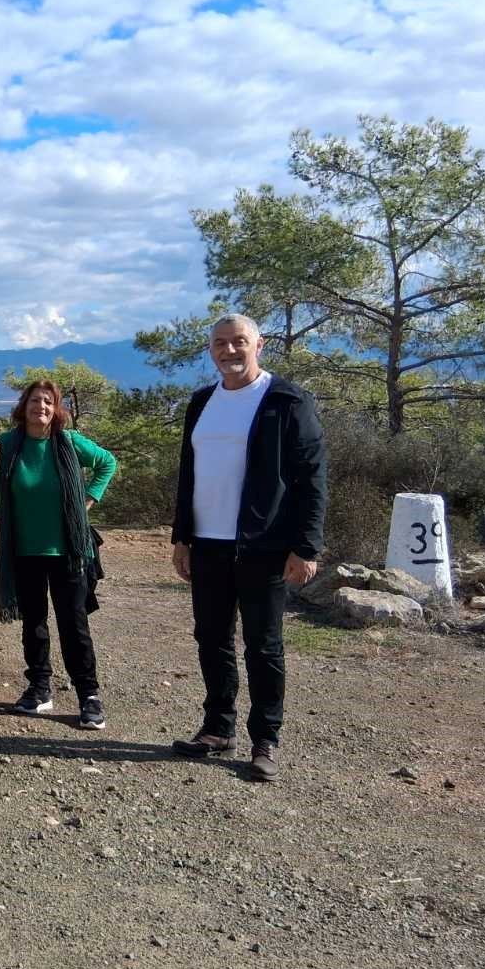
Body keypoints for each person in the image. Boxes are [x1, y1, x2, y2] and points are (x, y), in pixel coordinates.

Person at [169, 313, 326, 783]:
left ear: (259, 344)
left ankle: (265, 739)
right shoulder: (201, 402)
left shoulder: (286, 400)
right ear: (210, 350)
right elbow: (188, 473)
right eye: (220, 343)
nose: (230, 351)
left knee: (263, 644)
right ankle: (218, 728)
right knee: (211, 638)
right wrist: (182, 535)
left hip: (264, 545)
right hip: (209, 543)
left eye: (239, 342)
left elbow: (313, 478)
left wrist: (306, 545)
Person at [0, 379, 116, 729]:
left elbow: (107, 463)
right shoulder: (9, 443)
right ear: (23, 406)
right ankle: (39, 688)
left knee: (73, 623)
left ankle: (89, 695)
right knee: (34, 623)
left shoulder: (69, 443)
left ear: (56, 409)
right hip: (24, 550)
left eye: (47, 401)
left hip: (68, 551)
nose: (40, 407)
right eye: (33, 400)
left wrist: (89, 500)